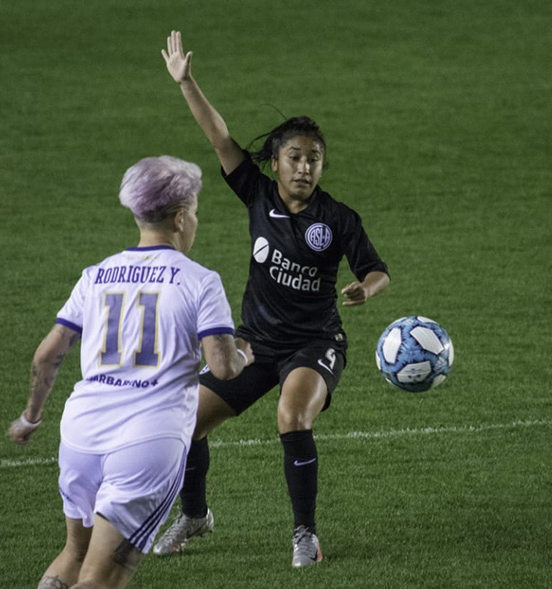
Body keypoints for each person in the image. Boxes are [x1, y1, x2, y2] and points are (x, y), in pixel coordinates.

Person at [156, 31, 391, 568]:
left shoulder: (338, 219)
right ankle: (195, 515)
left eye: (314, 159)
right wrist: (187, 82)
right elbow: (219, 139)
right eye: (294, 157)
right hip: (255, 343)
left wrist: (366, 288)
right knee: (187, 420)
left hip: (314, 342)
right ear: (277, 162)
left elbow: (377, 271)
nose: (305, 167)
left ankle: (304, 533)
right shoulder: (258, 195)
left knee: (292, 415)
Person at [7, 155, 254, 589]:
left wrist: (31, 416)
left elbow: (47, 355)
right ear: (180, 218)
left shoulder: (97, 275)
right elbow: (222, 366)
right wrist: (245, 355)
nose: (194, 221)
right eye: (194, 212)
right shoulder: (199, 280)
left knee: (74, 554)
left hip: (81, 433)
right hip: (147, 443)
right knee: (102, 579)